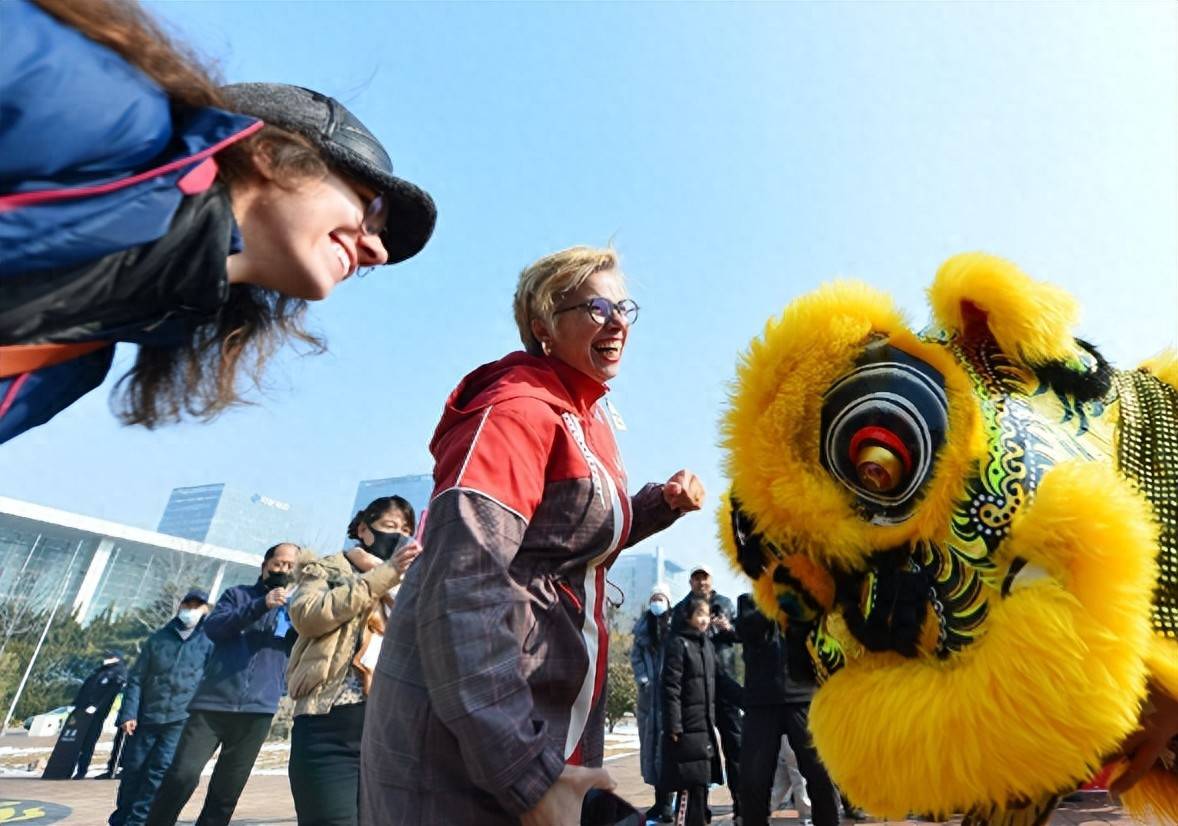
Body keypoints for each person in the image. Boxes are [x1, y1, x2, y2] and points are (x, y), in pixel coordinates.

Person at [360, 246, 706, 826]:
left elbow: (566, 540)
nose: (617, 320)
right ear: (543, 325)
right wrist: (526, 774)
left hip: (536, 715)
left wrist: (656, 506)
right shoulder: (516, 407)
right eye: (595, 306)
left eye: (623, 305)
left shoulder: (585, 414)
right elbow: (461, 589)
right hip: (472, 744)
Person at [0, 0, 436, 445]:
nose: (377, 252)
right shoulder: (102, 111)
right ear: (268, 152)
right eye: (371, 209)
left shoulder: (69, 367)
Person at [285, 497, 422, 826]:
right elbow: (308, 616)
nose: (399, 535)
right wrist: (384, 575)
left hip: (390, 732)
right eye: (390, 527)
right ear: (363, 529)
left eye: (406, 530)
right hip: (330, 725)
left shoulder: (412, 585)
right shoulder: (328, 569)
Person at [144, 543, 299, 826]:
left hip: (258, 711)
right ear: (265, 565)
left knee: (226, 792)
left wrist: (297, 612)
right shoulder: (237, 595)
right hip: (212, 706)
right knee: (182, 775)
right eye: (279, 563)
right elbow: (215, 628)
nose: (284, 570)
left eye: (291, 566)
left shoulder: (296, 610)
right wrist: (260, 605)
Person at [108, 590, 214, 826]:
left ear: (206, 609)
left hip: (179, 719)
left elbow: (209, 681)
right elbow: (136, 678)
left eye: (198, 605)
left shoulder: (208, 642)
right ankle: (121, 818)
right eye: (188, 604)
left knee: (159, 772)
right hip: (146, 718)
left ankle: (139, 821)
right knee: (133, 770)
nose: (191, 609)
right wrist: (129, 713)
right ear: (180, 606)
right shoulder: (158, 639)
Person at [734, 592, 839, 826]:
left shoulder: (806, 597)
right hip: (761, 701)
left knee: (821, 774)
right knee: (753, 779)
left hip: (803, 697)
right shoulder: (749, 601)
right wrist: (774, 601)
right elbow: (746, 630)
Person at [670, 565, 741, 818]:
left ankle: (741, 805)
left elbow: (740, 636)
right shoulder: (681, 608)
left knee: (736, 746)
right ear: (690, 582)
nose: (702, 582)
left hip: (724, 683)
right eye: (697, 578)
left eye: (705, 577)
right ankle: (698, 810)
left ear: (711, 580)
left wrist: (727, 628)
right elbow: (677, 641)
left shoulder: (726, 604)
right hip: (695, 691)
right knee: (695, 754)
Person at [660, 596, 723, 826]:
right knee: (688, 787)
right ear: (688, 617)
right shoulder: (678, 644)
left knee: (700, 786)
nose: (704, 619)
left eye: (706, 615)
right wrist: (674, 725)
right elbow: (670, 687)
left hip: (704, 728)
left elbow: (720, 679)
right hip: (685, 729)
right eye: (699, 614)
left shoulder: (706, 645)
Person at [42, 651, 128, 779]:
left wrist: (97, 706)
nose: (106, 659)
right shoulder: (99, 671)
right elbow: (86, 688)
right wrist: (76, 704)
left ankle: (82, 770)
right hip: (81, 711)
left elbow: (109, 693)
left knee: (88, 742)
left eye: (110, 657)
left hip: (96, 714)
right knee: (72, 741)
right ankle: (63, 768)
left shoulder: (118, 672)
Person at [631, 584, 674, 823]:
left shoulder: (675, 627)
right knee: (650, 751)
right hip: (648, 699)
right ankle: (658, 802)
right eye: (654, 598)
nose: (657, 602)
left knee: (667, 749)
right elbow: (635, 656)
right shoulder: (642, 628)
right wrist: (642, 678)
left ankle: (668, 804)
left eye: (661, 598)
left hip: (668, 697)